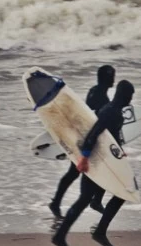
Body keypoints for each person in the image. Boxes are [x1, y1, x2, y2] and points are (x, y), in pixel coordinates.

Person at [51, 80, 135, 246]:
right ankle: (99, 231)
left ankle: (61, 235)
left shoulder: (114, 111)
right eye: (131, 95)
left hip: (103, 160)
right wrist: (84, 158)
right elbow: (93, 134)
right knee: (124, 191)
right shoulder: (111, 112)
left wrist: (119, 152)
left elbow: (109, 138)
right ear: (125, 95)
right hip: (97, 161)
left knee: (86, 199)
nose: (131, 98)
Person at [48, 65, 115, 218]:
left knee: (74, 173)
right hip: (88, 140)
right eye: (111, 76)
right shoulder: (100, 95)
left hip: (85, 138)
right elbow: (96, 118)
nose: (113, 79)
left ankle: (58, 202)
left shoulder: (95, 91)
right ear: (105, 78)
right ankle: (93, 201)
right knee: (80, 172)